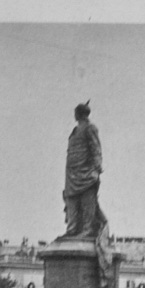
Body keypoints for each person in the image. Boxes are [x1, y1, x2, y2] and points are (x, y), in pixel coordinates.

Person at [63, 102, 103, 238]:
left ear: (78, 114)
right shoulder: (74, 131)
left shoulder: (90, 128)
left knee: (87, 202)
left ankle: (87, 229)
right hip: (72, 174)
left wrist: (97, 169)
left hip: (86, 173)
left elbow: (96, 149)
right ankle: (72, 229)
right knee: (71, 201)